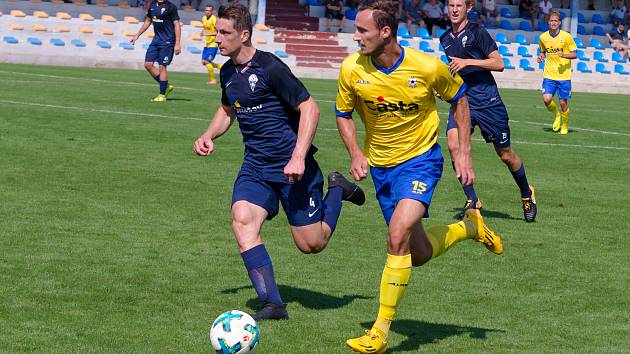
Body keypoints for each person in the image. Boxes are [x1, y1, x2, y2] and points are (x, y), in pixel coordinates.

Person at [335, 2, 503, 353]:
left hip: (420, 162)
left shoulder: (426, 67)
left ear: (385, 32)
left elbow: (459, 98)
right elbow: (343, 113)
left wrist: (463, 152)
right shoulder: (351, 69)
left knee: (397, 236)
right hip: (381, 168)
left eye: (362, 30)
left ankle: (379, 333)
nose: (356, 36)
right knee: (418, 253)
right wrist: (354, 152)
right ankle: (468, 228)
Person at [193, 3, 365, 321]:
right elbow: (228, 109)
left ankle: (338, 189)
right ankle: (273, 303)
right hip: (256, 167)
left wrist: (299, 157)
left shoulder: (270, 68)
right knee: (242, 219)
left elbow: (310, 108)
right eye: (217, 31)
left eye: (224, 32)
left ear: (244, 35)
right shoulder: (228, 72)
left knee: (311, 244)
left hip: (292, 169)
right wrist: (209, 134)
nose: (217, 38)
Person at [441, 0, 537, 223]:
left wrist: (467, 62)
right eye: (451, 5)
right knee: (454, 144)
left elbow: (499, 63)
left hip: (488, 102)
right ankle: (472, 199)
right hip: (463, 101)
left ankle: (526, 192)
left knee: (505, 154)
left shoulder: (477, 31)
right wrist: (446, 87)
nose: (454, 9)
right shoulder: (445, 38)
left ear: (469, 8)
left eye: (459, 5)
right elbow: (456, 71)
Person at [130, 0, 181, 102]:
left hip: (168, 41)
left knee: (162, 66)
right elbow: (148, 21)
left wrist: (177, 43)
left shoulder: (171, 7)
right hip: (156, 41)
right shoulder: (152, 5)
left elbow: (177, 25)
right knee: (148, 64)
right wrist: (137, 35)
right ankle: (166, 85)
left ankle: (162, 95)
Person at [537, 10, 577, 135]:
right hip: (549, 74)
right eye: (551, 21)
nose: (553, 23)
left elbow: (575, 54)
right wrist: (541, 56)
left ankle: (564, 125)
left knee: (562, 102)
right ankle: (557, 115)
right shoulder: (543, 37)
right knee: (547, 99)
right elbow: (543, 51)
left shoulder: (566, 36)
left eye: (555, 21)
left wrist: (564, 55)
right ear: (548, 22)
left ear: (559, 23)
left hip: (564, 75)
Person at [201, 4, 220, 84]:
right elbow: (205, 28)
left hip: (213, 43)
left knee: (206, 61)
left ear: (212, 11)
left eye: (209, 10)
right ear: (204, 11)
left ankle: (213, 80)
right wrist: (202, 31)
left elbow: (218, 32)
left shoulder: (214, 19)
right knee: (203, 61)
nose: (208, 12)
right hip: (207, 43)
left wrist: (207, 33)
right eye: (206, 10)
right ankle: (221, 67)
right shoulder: (204, 18)